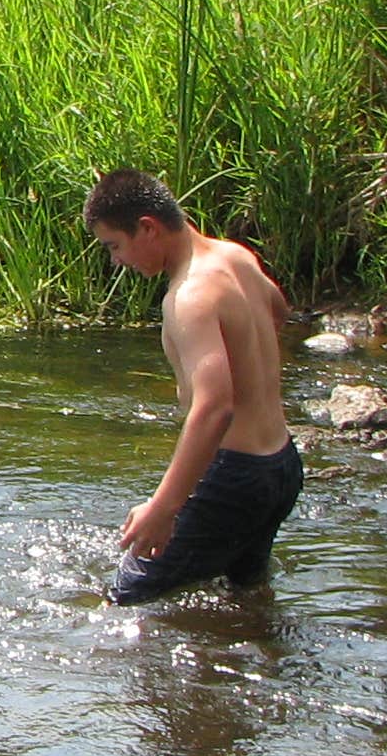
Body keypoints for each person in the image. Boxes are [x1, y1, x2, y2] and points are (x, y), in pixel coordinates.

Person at [84, 168, 301, 603]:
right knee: (245, 596)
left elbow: (215, 407)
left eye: (114, 246)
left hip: (233, 476)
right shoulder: (234, 256)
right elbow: (276, 311)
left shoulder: (189, 297)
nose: (116, 261)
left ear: (147, 227)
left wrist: (162, 509)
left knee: (124, 603)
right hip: (280, 466)